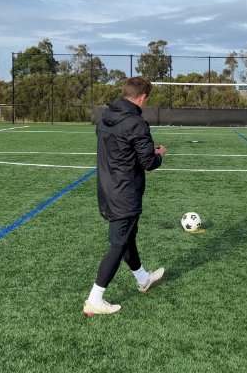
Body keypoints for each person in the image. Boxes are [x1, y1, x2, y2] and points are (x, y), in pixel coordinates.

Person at [84, 77, 167, 316]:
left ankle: (143, 278)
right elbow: (148, 163)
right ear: (142, 98)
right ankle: (95, 299)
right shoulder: (137, 123)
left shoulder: (105, 118)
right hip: (125, 192)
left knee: (127, 237)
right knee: (119, 243)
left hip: (107, 188)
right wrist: (159, 154)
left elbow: (120, 149)